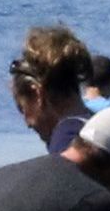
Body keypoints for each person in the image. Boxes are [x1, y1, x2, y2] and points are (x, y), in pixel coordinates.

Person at [9, 24, 101, 155]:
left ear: (37, 94)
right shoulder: (99, 127)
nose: (27, 124)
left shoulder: (66, 141)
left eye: (22, 108)